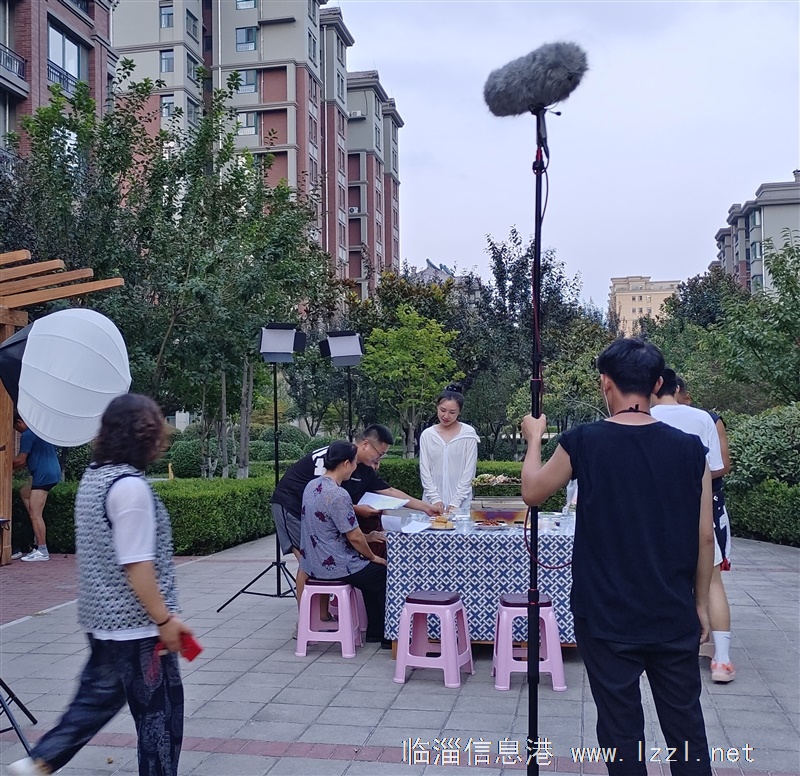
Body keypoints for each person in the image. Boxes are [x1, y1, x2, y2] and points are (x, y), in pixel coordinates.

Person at [520, 338, 715, 776]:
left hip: (605, 613)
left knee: (619, 728)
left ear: (605, 383)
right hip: (671, 611)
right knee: (686, 728)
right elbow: (705, 537)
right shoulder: (691, 450)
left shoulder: (583, 441)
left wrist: (534, 438)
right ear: (658, 384)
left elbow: (532, 491)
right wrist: (700, 603)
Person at [9, 394, 193, 776]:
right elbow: (137, 565)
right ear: (144, 435)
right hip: (139, 630)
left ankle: (39, 762)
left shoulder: (96, 477)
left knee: (93, 702)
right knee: (160, 720)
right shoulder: (130, 488)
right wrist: (164, 620)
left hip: (103, 623)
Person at [271, 424, 438, 612]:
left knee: (320, 559)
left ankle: (323, 614)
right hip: (291, 505)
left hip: (318, 512)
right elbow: (323, 496)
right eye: (379, 454)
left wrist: (427, 507)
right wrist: (357, 511)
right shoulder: (336, 456)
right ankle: (305, 618)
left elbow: (390, 491)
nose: (378, 460)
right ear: (365, 445)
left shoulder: (361, 467)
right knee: (308, 560)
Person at [673, 374, 736, 683]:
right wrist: (694, 474)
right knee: (712, 581)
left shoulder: (645, 417)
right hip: (705, 504)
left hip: (669, 506)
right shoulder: (708, 419)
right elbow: (722, 465)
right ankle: (721, 660)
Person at [299, 440, 390, 647]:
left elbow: (331, 528)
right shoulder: (339, 494)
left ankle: (376, 632)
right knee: (382, 573)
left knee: (372, 576)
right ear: (346, 463)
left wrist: (368, 537)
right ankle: (387, 636)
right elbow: (354, 536)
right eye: (355, 462)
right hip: (336, 565)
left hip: (312, 564)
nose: (357, 467)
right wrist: (372, 556)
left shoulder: (311, 486)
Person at [419, 384, 480, 513]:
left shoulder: (468, 434)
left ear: (459, 412)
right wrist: (435, 499)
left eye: (452, 412)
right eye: (442, 410)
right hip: (432, 504)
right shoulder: (428, 435)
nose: (446, 416)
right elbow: (425, 470)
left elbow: (469, 471)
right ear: (437, 407)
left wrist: (456, 502)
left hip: (461, 504)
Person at [12, 414, 61, 562]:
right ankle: (36, 528)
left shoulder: (27, 434)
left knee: (35, 514)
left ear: (19, 422)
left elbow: (20, 460)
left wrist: (5, 464)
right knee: (25, 492)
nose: (17, 430)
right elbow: (25, 462)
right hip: (52, 472)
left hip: (43, 475)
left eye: (15, 427)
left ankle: (42, 550)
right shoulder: (39, 431)